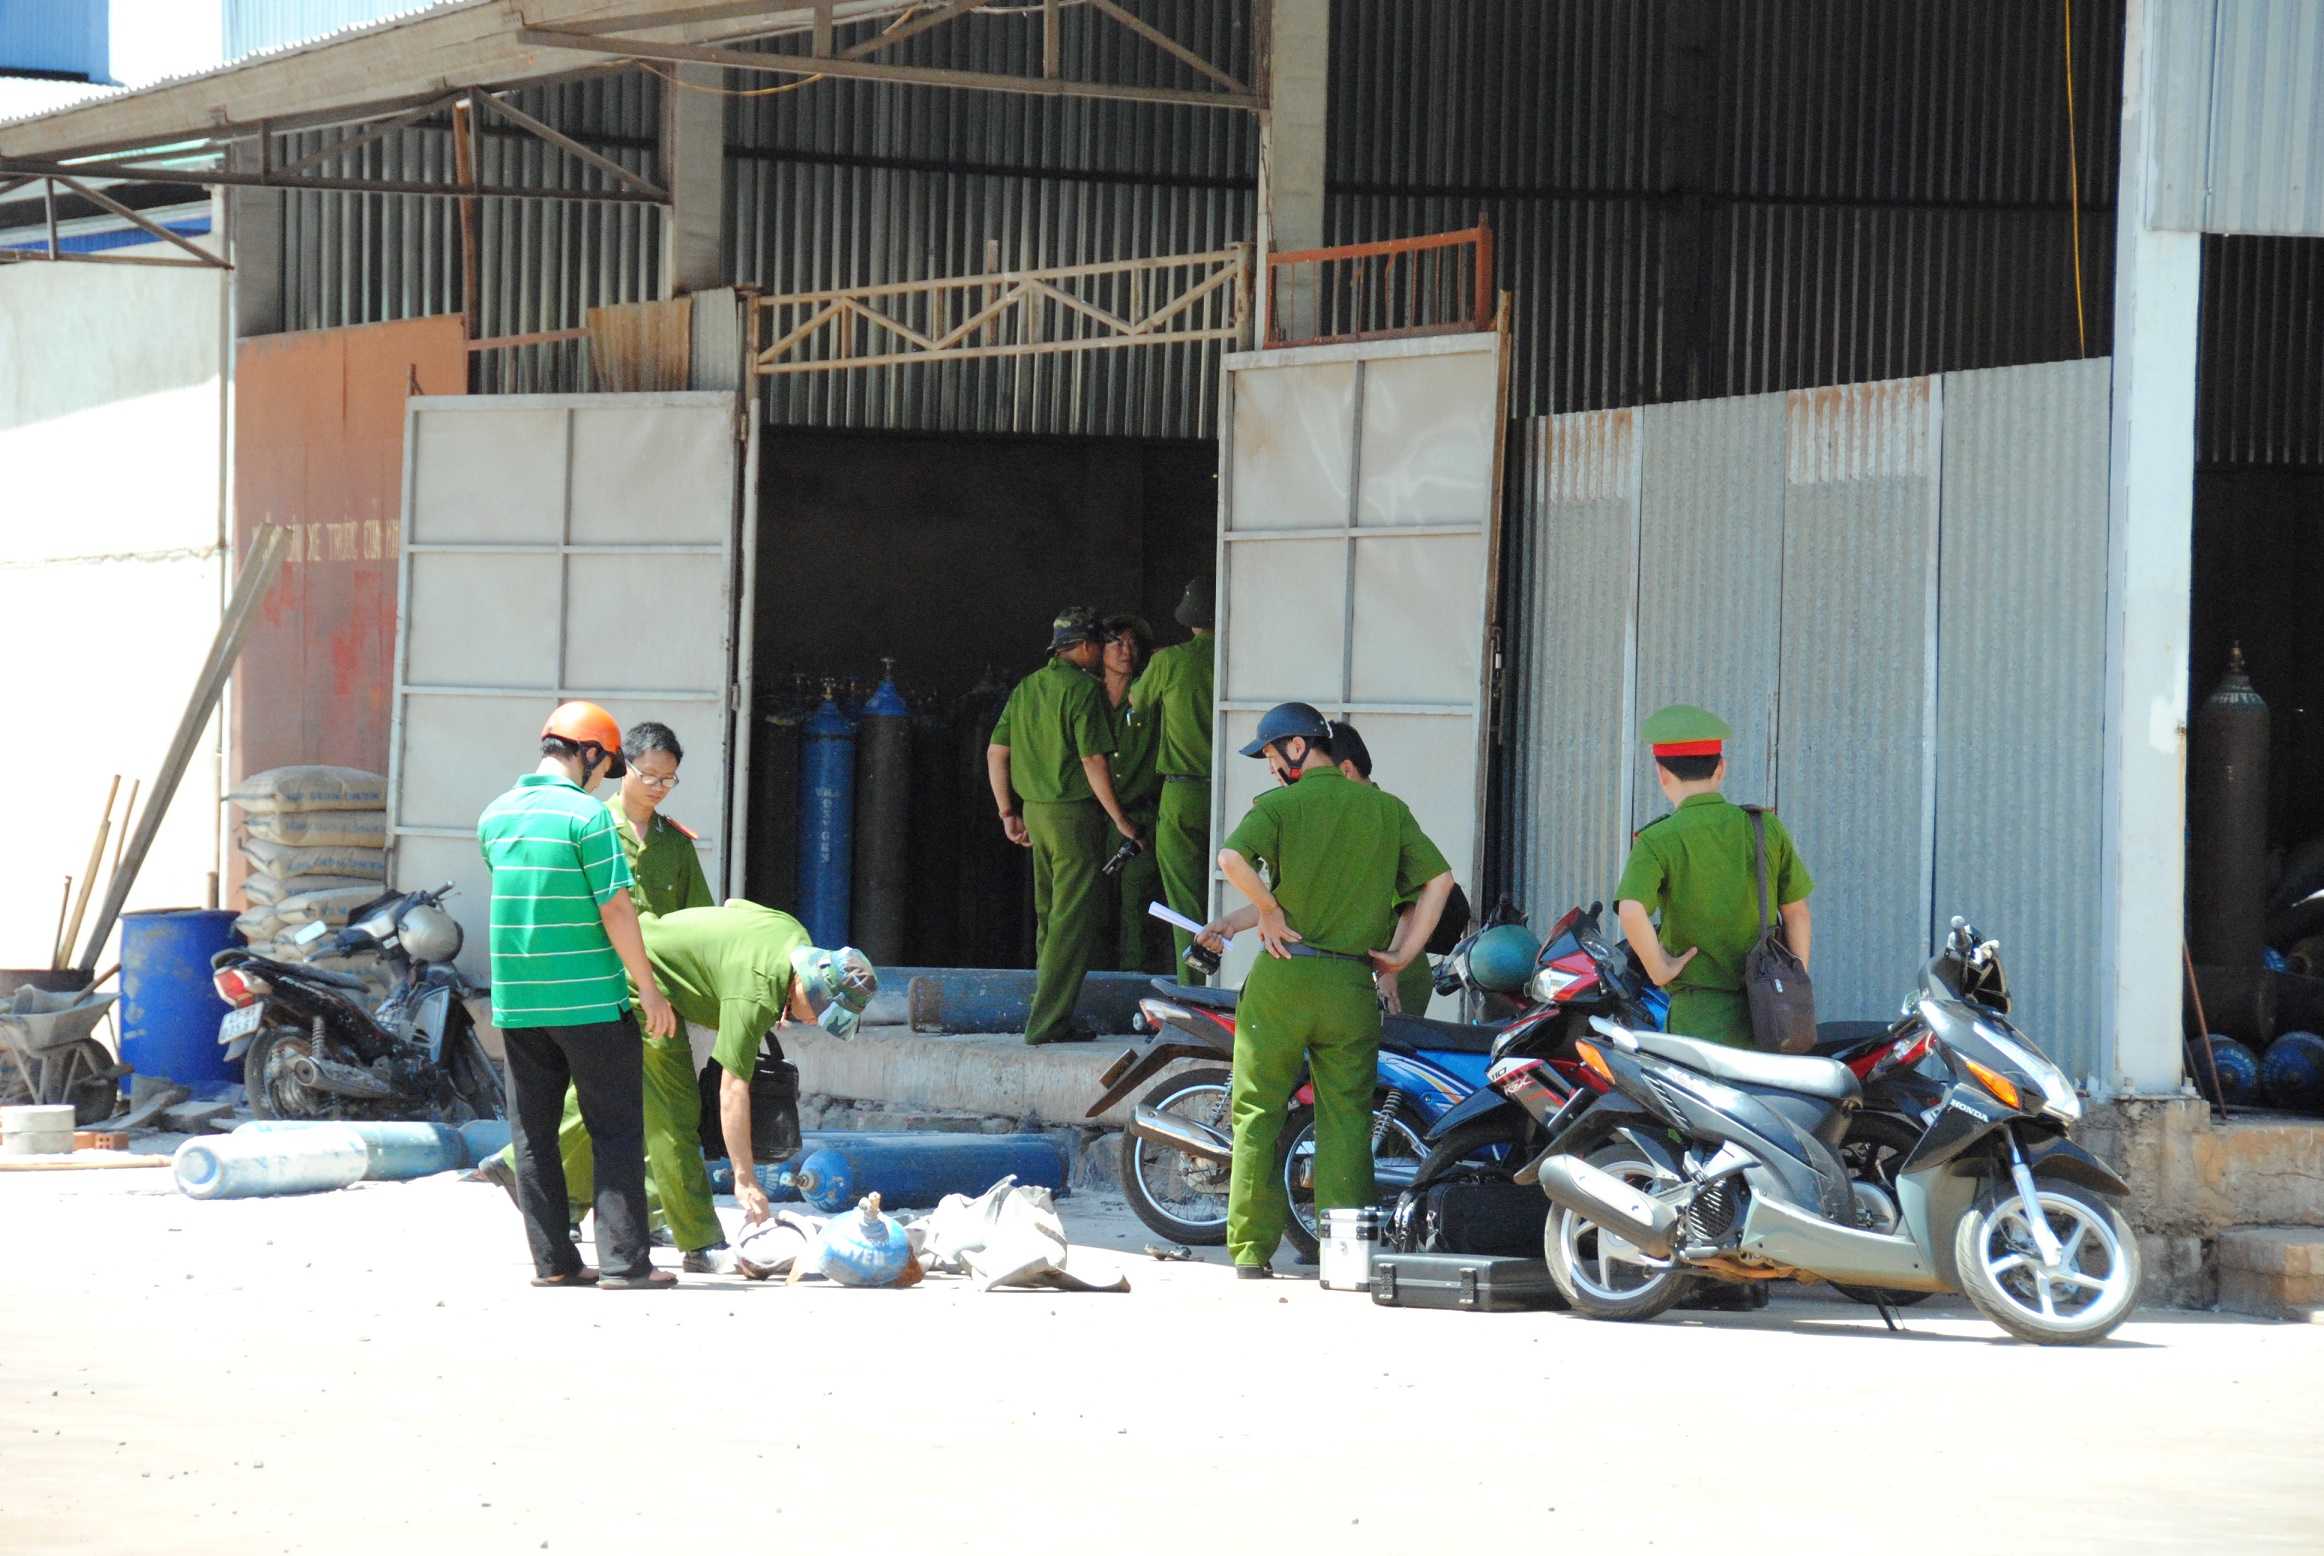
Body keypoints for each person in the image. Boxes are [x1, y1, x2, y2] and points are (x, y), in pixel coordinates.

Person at [1211, 702, 1454, 1278]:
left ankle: (1251, 1253)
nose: (1271, 768)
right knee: (1346, 1118)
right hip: (1350, 984)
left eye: (1271, 756)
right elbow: (1440, 880)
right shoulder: (1387, 810)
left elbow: (1230, 858)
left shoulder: (1279, 807)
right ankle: (1344, 1256)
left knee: (1258, 1111)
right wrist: (1403, 954)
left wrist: (1268, 909)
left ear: (1297, 748)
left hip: (1284, 978)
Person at [476, 701, 677, 1291]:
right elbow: (616, 908)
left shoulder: (495, 816)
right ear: (589, 753)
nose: (602, 779)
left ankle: (555, 1262)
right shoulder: (588, 819)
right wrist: (649, 989)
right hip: (590, 1001)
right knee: (614, 1130)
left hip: (519, 1005)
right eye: (606, 765)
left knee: (533, 1135)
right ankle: (624, 1264)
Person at [1614, 704, 1814, 1049]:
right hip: (1769, 1015)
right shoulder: (1764, 826)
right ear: (1721, 768)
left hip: (1698, 1018)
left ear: (1662, 774)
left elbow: (1631, 911)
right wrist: (1792, 983)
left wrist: (1660, 970)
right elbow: (1797, 913)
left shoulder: (1657, 839)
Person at [985, 607, 1137, 1045]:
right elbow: (1093, 760)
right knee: (1072, 921)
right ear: (1086, 647)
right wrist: (1121, 820)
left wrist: (1007, 812)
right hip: (1071, 816)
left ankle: (1046, 1009)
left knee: (1049, 918)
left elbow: (996, 752)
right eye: (1099, 644)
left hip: (1035, 813)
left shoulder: (1027, 687)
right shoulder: (1083, 690)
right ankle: (1048, 1023)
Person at [1325, 719, 1449, 1019]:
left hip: (1392, 977)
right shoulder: (1345, 817)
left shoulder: (1383, 813)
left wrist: (1389, 968)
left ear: (1346, 770)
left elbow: (1415, 898)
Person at [1130, 576, 1216, 980]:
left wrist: (1156, 664)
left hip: (1183, 792)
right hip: (1237, 793)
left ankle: (1194, 986)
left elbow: (1136, 700)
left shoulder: (1171, 661)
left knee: (1185, 900)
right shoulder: (1245, 656)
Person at [1101, 612, 1171, 974]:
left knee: (1137, 909)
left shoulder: (1149, 695)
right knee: (1091, 910)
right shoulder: (1086, 697)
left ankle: (1133, 982)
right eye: (1116, 642)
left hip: (1140, 818)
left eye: (1132, 643)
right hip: (1093, 818)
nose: (1125, 650)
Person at [610, 722, 714, 918]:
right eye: (649, 776)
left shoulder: (676, 842)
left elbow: (699, 915)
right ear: (624, 766)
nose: (658, 787)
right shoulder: (594, 827)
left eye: (668, 779)